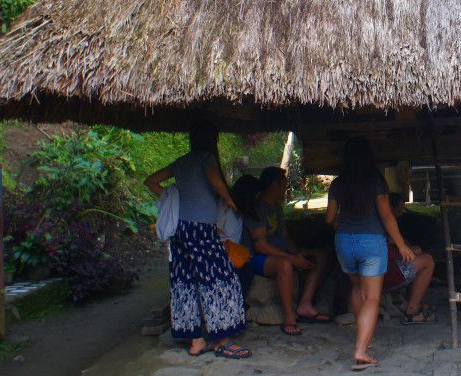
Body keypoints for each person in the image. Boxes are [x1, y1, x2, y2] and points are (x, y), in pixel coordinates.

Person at [144, 122, 250, 359]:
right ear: (210, 140)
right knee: (221, 278)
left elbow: (150, 180)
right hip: (201, 230)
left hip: (180, 231)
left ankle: (196, 340)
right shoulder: (205, 158)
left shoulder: (181, 162)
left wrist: (171, 198)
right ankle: (222, 339)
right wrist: (229, 200)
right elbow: (216, 182)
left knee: (185, 281)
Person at [326, 136, 415, 371]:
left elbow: (329, 218)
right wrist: (402, 245)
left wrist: (342, 227)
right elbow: (386, 216)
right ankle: (361, 349)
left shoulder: (338, 184)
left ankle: (364, 338)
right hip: (372, 243)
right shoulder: (376, 181)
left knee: (357, 288)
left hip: (344, 242)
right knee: (373, 298)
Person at [243, 166, 332, 336]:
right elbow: (260, 245)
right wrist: (291, 258)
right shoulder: (256, 208)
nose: (286, 187)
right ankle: (290, 317)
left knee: (319, 256)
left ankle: (305, 304)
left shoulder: (276, 207)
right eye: (284, 183)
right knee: (285, 264)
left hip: (281, 253)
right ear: (274, 184)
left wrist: (298, 252)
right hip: (260, 257)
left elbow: (285, 237)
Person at [384, 193, 437, 324]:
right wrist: (411, 249)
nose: (401, 213)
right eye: (399, 210)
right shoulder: (386, 224)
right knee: (427, 260)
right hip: (386, 273)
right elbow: (399, 245)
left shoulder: (371, 223)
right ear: (389, 208)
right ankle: (412, 311)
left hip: (373, 271)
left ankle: (413, 301)